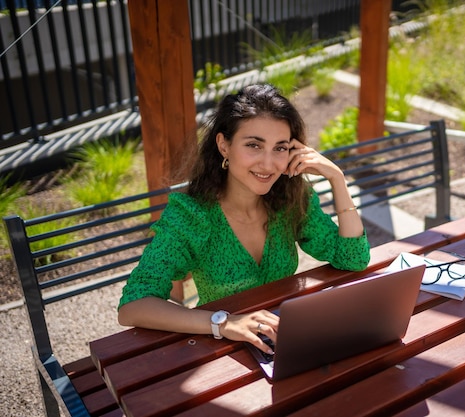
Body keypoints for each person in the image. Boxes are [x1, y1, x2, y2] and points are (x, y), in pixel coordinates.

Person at [118, 84, 370, 354]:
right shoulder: (192, 216)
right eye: (254, 145)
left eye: (280, 148)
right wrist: (224, 323)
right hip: (224, 351)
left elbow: (353, 259)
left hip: (284, 340)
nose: (268, 163)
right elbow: (133, 305)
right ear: (223, 145)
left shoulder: (291, 202)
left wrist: (337, 179)